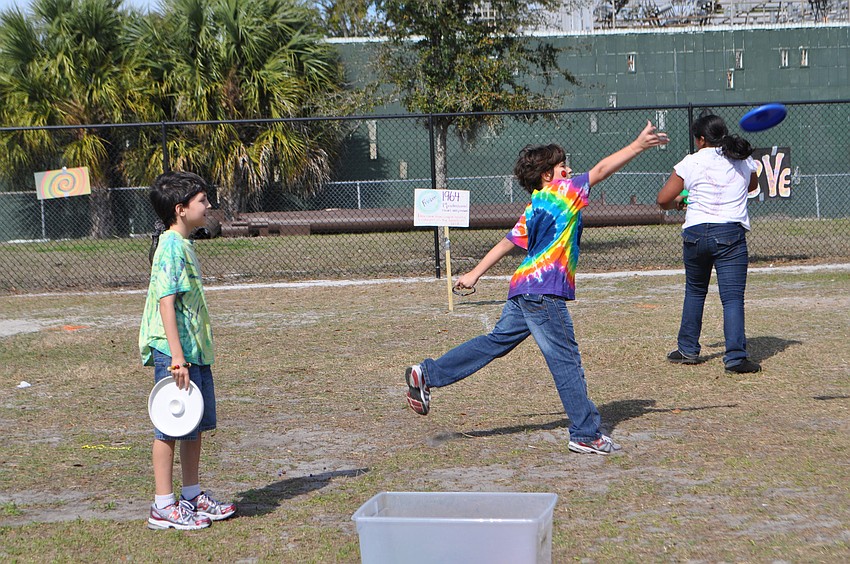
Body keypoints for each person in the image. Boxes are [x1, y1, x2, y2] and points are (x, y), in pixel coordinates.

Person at [404, 121, 669, 455]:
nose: (569, 170)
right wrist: (638, 145)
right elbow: (601, 170)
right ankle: (586, 434)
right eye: (562, 167)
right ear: (547, 175)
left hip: (523, 288)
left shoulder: (535, 205)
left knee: (495, 342)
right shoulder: (565, 193)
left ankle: (428, 374)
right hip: (543, 293)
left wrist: (474, 274)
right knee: (566, 360)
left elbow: (506, 244)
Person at [139, 171, 236, 530]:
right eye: (202, 201)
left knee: (191, 422)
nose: (208, 205)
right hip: (175, 352)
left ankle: (192, 496)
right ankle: (163, 505)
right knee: (169, 426)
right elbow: (166, 303)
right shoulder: (169, 247)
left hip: (193, 350)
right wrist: (176, 358)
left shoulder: (183, 244)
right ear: (181, 209)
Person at [656, 113, 761, 374]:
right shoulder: (742, 158)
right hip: (730, 233)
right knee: (732, 298)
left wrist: (679, 200)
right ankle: (736, 358)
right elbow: (751, 186)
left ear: (701, 139)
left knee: (695, 291)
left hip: (695, 232)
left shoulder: (691, 162)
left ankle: (687, 349)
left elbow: (663, 199)